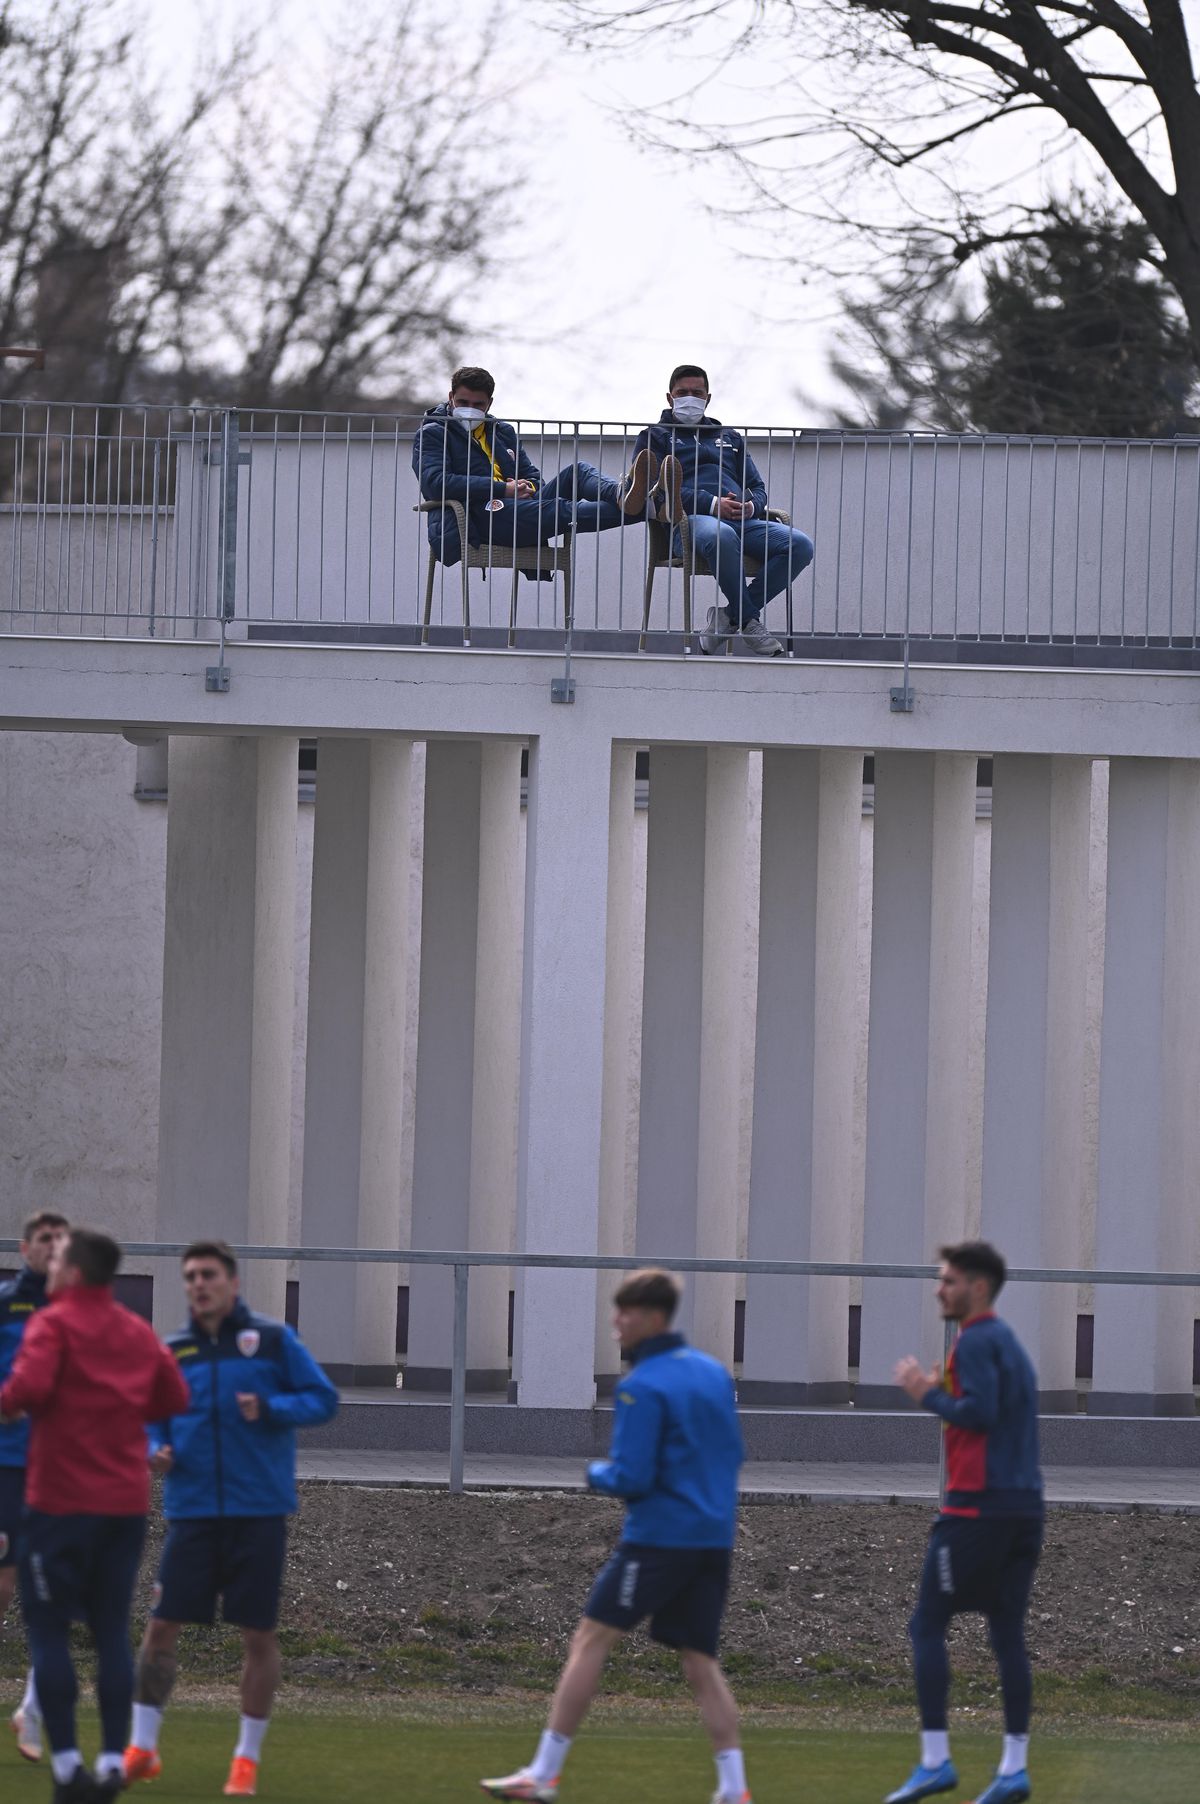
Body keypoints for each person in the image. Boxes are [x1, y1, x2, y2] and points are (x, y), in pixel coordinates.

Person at [480, 1267, 750, 1804]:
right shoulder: (713, 1373)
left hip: (658, 1539)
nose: (615, 1326)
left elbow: (631, 1476)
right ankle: (734, 1789)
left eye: (623, 1315)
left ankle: (544, 1774)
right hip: (713, 1538)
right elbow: (732, 1453)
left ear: (650, 1319)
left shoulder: (641, 1386)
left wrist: (592, 1472)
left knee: (590, 1639)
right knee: (699, 1660)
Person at [124, 1241, 339, 1799]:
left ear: (233, 1283)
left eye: (209, 1275)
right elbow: (150, 1420)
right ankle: (142, 1748)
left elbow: (322, 1399)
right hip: (192, 1513)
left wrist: (270, 1409)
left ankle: (245, 1760)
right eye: (191, 1276)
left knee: (257, 1636)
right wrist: (155, 1448)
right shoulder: (173, 1351)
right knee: (160, 1628)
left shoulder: (270, 1342)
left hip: (258, 1513)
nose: (199, 1283)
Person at [0, 1227, 190, 1804]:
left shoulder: (52, 1324)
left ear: (75, 1273)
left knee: (49, 1630)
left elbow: (22, 1390)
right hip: (123, 1505)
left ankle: (66, 1770)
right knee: (110, 1632)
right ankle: (111, 1763)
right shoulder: (136, 1332)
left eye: (58, 1263)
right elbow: (173, 1398)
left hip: (58, 1503)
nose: (51, 1271)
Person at [888, 1241, 1044, 1804]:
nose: (939, 1289)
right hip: (1025, 1509)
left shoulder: (976, 1340)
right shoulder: (1008, 1343)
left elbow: (978, 1414)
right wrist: (948, 1391)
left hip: (977, 1510)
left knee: (927, 1625)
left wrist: (927, 1393)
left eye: (949, 1280)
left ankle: (934, 1762)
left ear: (978, 1288)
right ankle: (1013, 1770)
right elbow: (995, 1409)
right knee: (1006, 1635)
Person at [633, 364, 814, 656]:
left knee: (800, 545)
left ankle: (730, 617)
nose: (690, 398)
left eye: (697, 393)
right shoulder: (654, 436)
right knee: (722, 535)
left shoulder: (729, 438)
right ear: (669, 398)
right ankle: (748, 621)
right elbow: (653, 488)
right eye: (683, 393)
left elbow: (757, 486)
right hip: (688, 522)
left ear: (708, 398)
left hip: (741, 520)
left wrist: (751, 505)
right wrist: (712, 503)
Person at [413, 364, 659, 570]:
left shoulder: (502, 431)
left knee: (578, 472)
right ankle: (653, 507)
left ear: (489, 404)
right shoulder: (434, 433)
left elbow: (532, 477)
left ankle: (623, 495)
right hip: (480, 516)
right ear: (450, 398)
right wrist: (502, 489)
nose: (470, 410)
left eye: (478, 405)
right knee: (560, 509)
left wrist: (524, 486)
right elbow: (435, 483)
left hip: (521, 508)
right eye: (463, 402)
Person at [1, 1210, 69, 1764]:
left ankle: (31, 1710)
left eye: (60, 1238)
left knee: (51, 1594)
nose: (51, 1246)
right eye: (42, 1238)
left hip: (63, 1471)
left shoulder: (81, 1310)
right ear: (25, 1249)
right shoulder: (8, 1303)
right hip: (7, 1463)